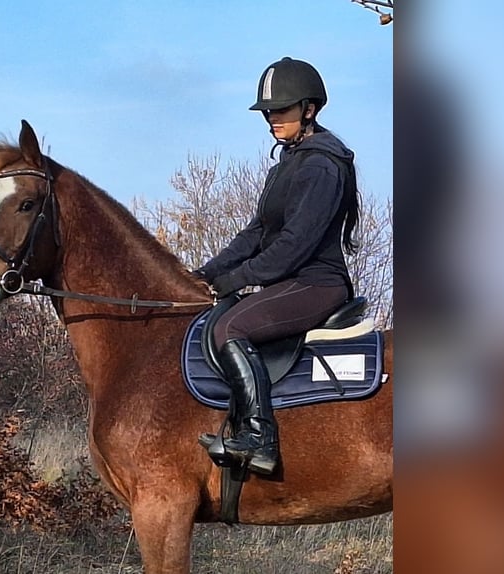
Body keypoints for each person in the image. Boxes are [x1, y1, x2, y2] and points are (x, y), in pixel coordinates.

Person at [194, 57, 361, 475]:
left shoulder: (322, 164)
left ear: (309, 109)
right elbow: (255, 234)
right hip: (291, 280)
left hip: (316, 283)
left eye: (281, 109)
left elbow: (292, 247)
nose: (271, 118)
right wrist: (204, 275)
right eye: (267, 111)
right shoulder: (288, 162)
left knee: (230, 328)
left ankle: (258, 439)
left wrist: (236, 280)